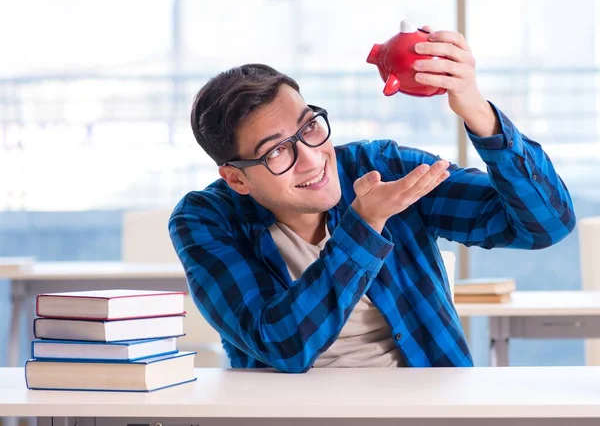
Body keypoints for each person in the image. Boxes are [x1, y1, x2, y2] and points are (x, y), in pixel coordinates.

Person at [168, 27, 576, 373]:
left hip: (425, 408)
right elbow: (282, 344)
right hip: (289, 414)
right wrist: (363, 226)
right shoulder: (205, 220)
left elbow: (545, 224)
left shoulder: (380, 166)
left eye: (309, 127)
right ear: (237, 178)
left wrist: (477, 110)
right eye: (277, 151)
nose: (311, 159)